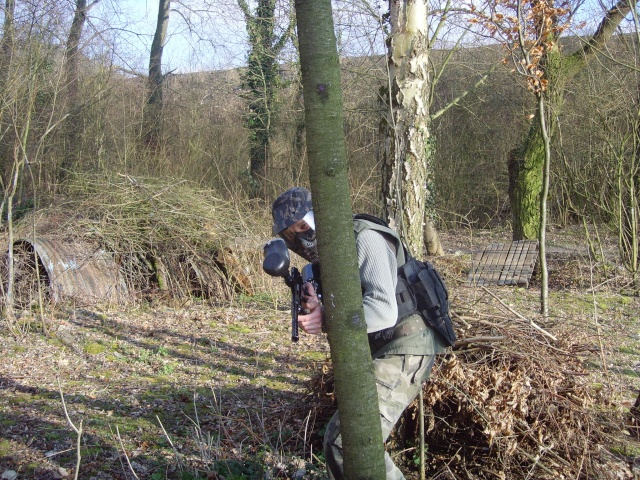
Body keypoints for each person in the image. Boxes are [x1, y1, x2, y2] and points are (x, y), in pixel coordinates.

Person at [271, 187, 448, 480]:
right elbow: (350, 306)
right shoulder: (331, 254)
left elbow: (382, 310)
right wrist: (318, 305)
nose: (301, 237)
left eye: (303, 225)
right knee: (341, 441)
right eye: (292, 234)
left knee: (348, 443)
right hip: (383, 346)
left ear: (320, 216)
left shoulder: (364, 237)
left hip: (408, 344)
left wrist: (325, 319)